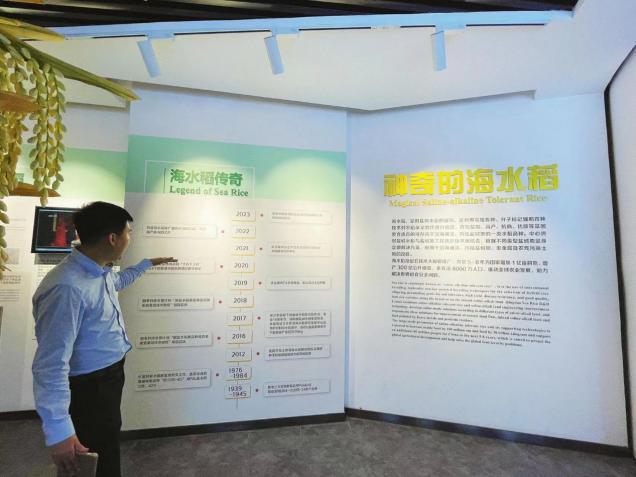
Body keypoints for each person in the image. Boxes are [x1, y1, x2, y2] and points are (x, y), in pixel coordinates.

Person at [31, 201, 176, 476]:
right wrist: (58, 430)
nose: (129, 239)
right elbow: (50, 364)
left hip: (106, 379)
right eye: (128, 232)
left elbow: (118, 282)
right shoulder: (67, 286)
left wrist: (145, 265)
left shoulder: (97, 271)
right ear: (112, 238)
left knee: (106, 447)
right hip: (89, 388)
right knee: (92, 459)